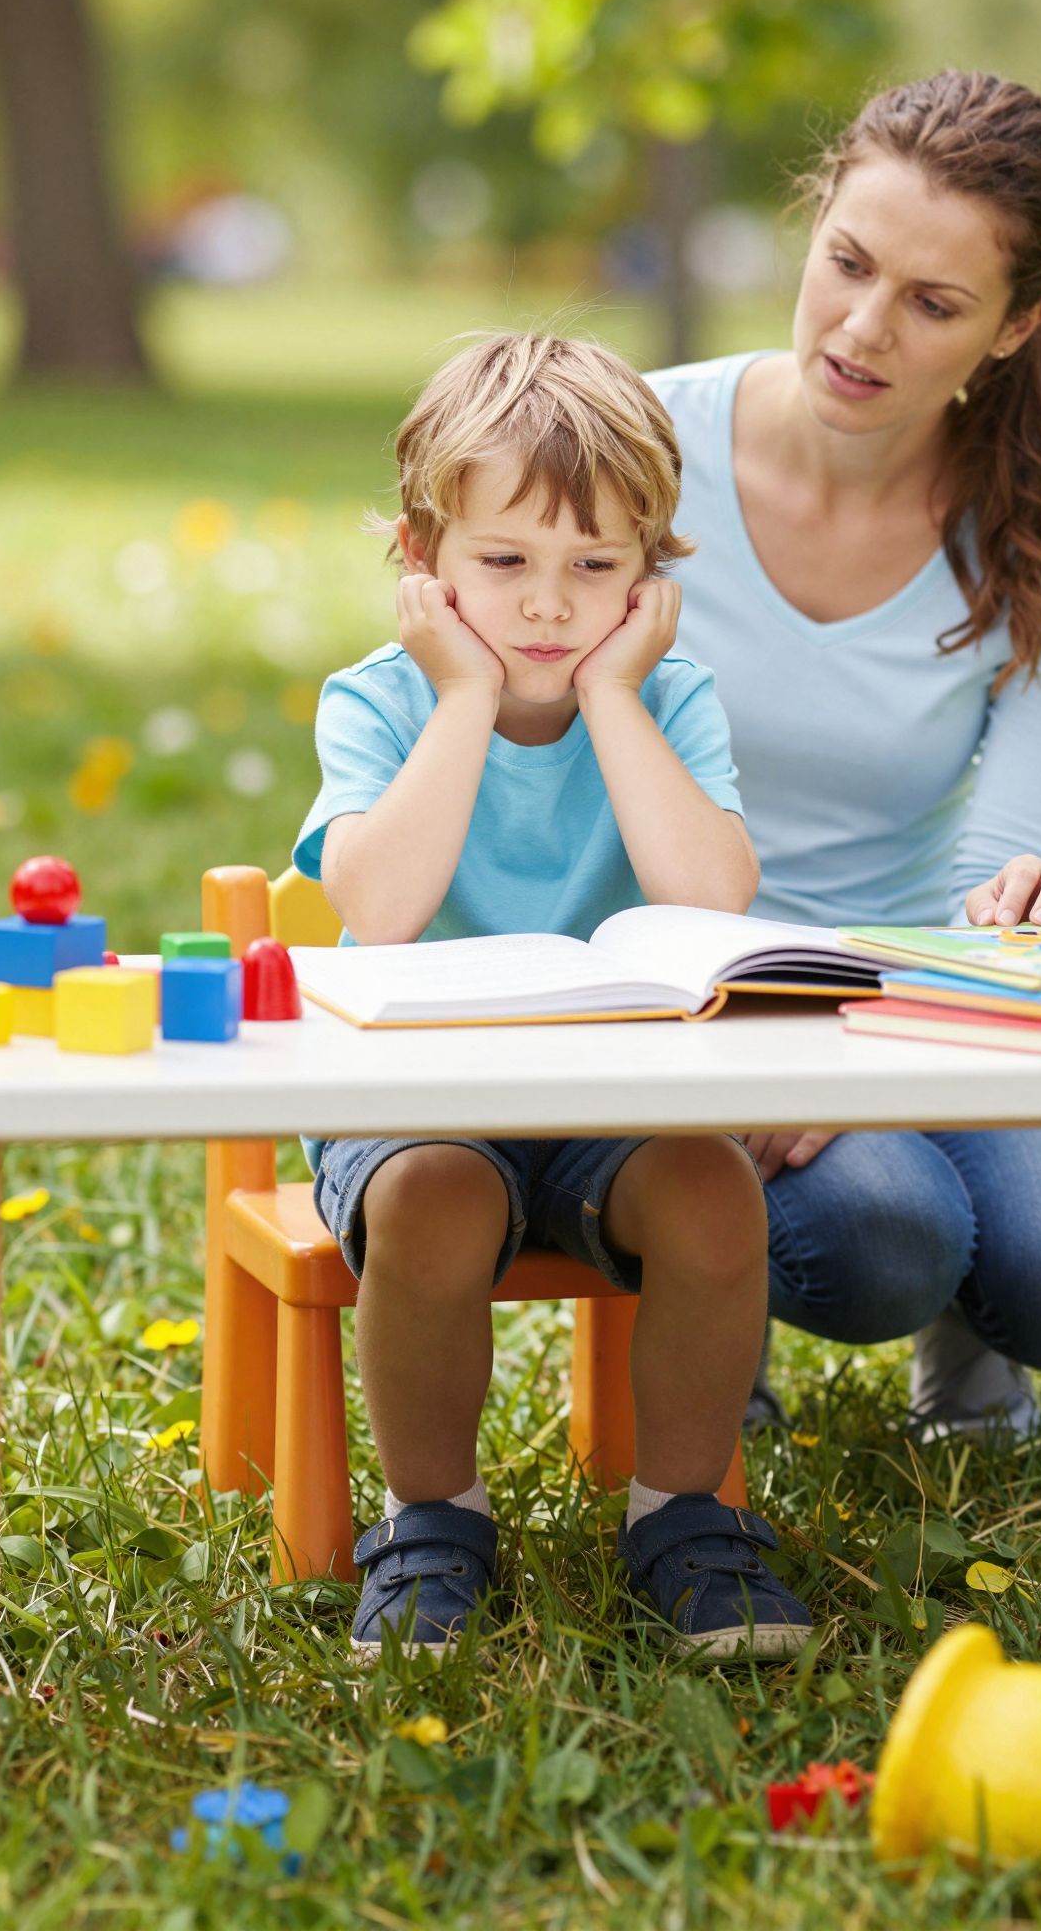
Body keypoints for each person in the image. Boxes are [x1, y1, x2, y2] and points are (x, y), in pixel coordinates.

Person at [293, 333, 813, 1662]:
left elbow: (712, 899)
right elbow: (382, 905)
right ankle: (432, 1522)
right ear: (424, 561)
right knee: (434, 1199)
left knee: (712, 1198)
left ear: (650, 579)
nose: (547, 607)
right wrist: (462, 695)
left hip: (614, 1108)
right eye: (504, 564)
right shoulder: (381, 703)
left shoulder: (666, 699)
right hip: (419, 1108)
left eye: (596, 569)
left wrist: (617, 699)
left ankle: (684, 1516)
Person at [650, 70, 1041, 1437]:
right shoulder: (632, 449)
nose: (861, 329)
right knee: (879, 1239)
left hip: (923, 999)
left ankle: (984, 1343)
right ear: (814, 226)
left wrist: (1023, 906)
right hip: (673, 990)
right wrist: (753, 1039)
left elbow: (997, 864)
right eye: (848, 263)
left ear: (1017, 326)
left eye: (934, 303)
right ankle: (708, 1339)